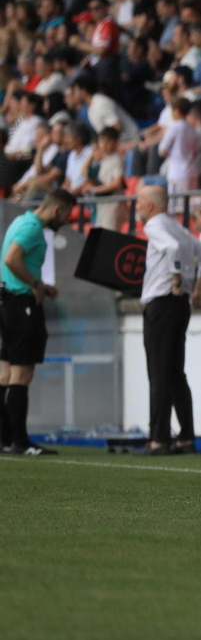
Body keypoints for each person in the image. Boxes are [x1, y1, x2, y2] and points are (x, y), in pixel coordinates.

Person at [136, 184, 201, 455]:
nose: (136, 206)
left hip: (162, 303)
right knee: (176, 373)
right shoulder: (177, 227)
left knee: (159, 372)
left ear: (149, 205)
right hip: (180, 306)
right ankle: (186, 437)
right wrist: (198, 290)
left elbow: (170, 249)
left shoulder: (154, 226)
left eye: (138, 201)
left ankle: (159, 439)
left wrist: (177, 277)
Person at [0, 188, 76, 455]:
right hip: (22, 305)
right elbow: (11, 259)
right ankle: (20, 442)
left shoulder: (20, 221)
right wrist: (35, 284)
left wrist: (41, 285)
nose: (66, 221)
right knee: (21, 375)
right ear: (57, 210)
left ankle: (6, 439)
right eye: (66, 215)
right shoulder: (32, 228)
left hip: (7, 301)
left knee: (6, 374)